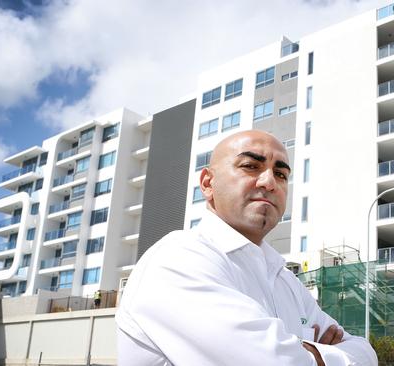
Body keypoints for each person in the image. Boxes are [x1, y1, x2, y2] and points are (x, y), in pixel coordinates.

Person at [116, 130, 378, 365]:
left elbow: (365, 351)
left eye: (281, 174)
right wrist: (324, 353)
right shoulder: (177, 259)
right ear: (208, 183)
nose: (269, 182)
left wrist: (310, 355)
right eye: (251, 166)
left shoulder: (285, 279)